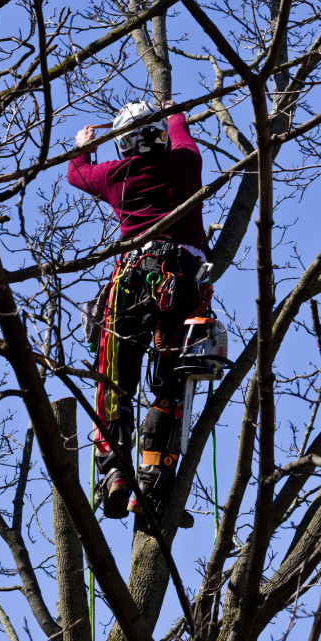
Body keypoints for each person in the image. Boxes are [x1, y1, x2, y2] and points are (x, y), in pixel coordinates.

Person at [68, 100, 211, 522]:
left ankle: (115, 473)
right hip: (180, 282)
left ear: (125, 144)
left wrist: (83, 146)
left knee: (114, 376)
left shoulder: (116, 175)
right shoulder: (187, 164)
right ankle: (152, 478)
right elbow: (183, 135)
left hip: (131, 280)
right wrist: (173, 112)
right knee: (172, 383)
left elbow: (77, 173)